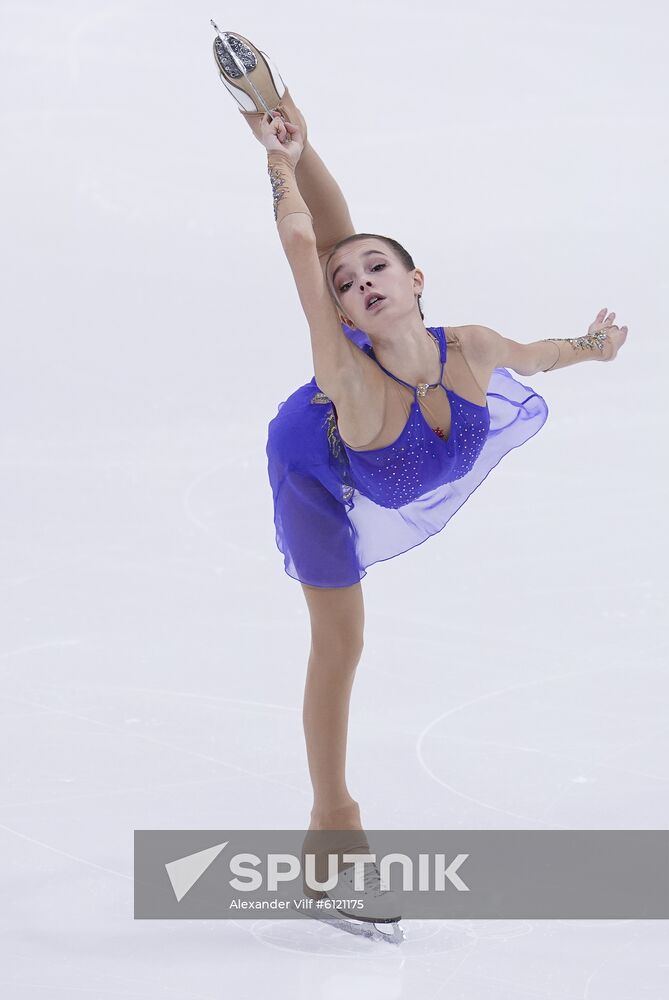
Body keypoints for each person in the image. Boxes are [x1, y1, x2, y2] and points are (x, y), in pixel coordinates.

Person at [212, 29, 629, 931]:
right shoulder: (347, 374)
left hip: (399, 397)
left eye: (378, 268)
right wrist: (277, 164)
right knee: (342, 643)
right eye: (348, 282)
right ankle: (333, 835)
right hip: (316, 463)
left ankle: (291, 125)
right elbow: (303, 247)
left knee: (341, 226)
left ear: (415, 280)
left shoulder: (471, 349)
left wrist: (594, 348)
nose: (361, 281)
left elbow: (542, 355)